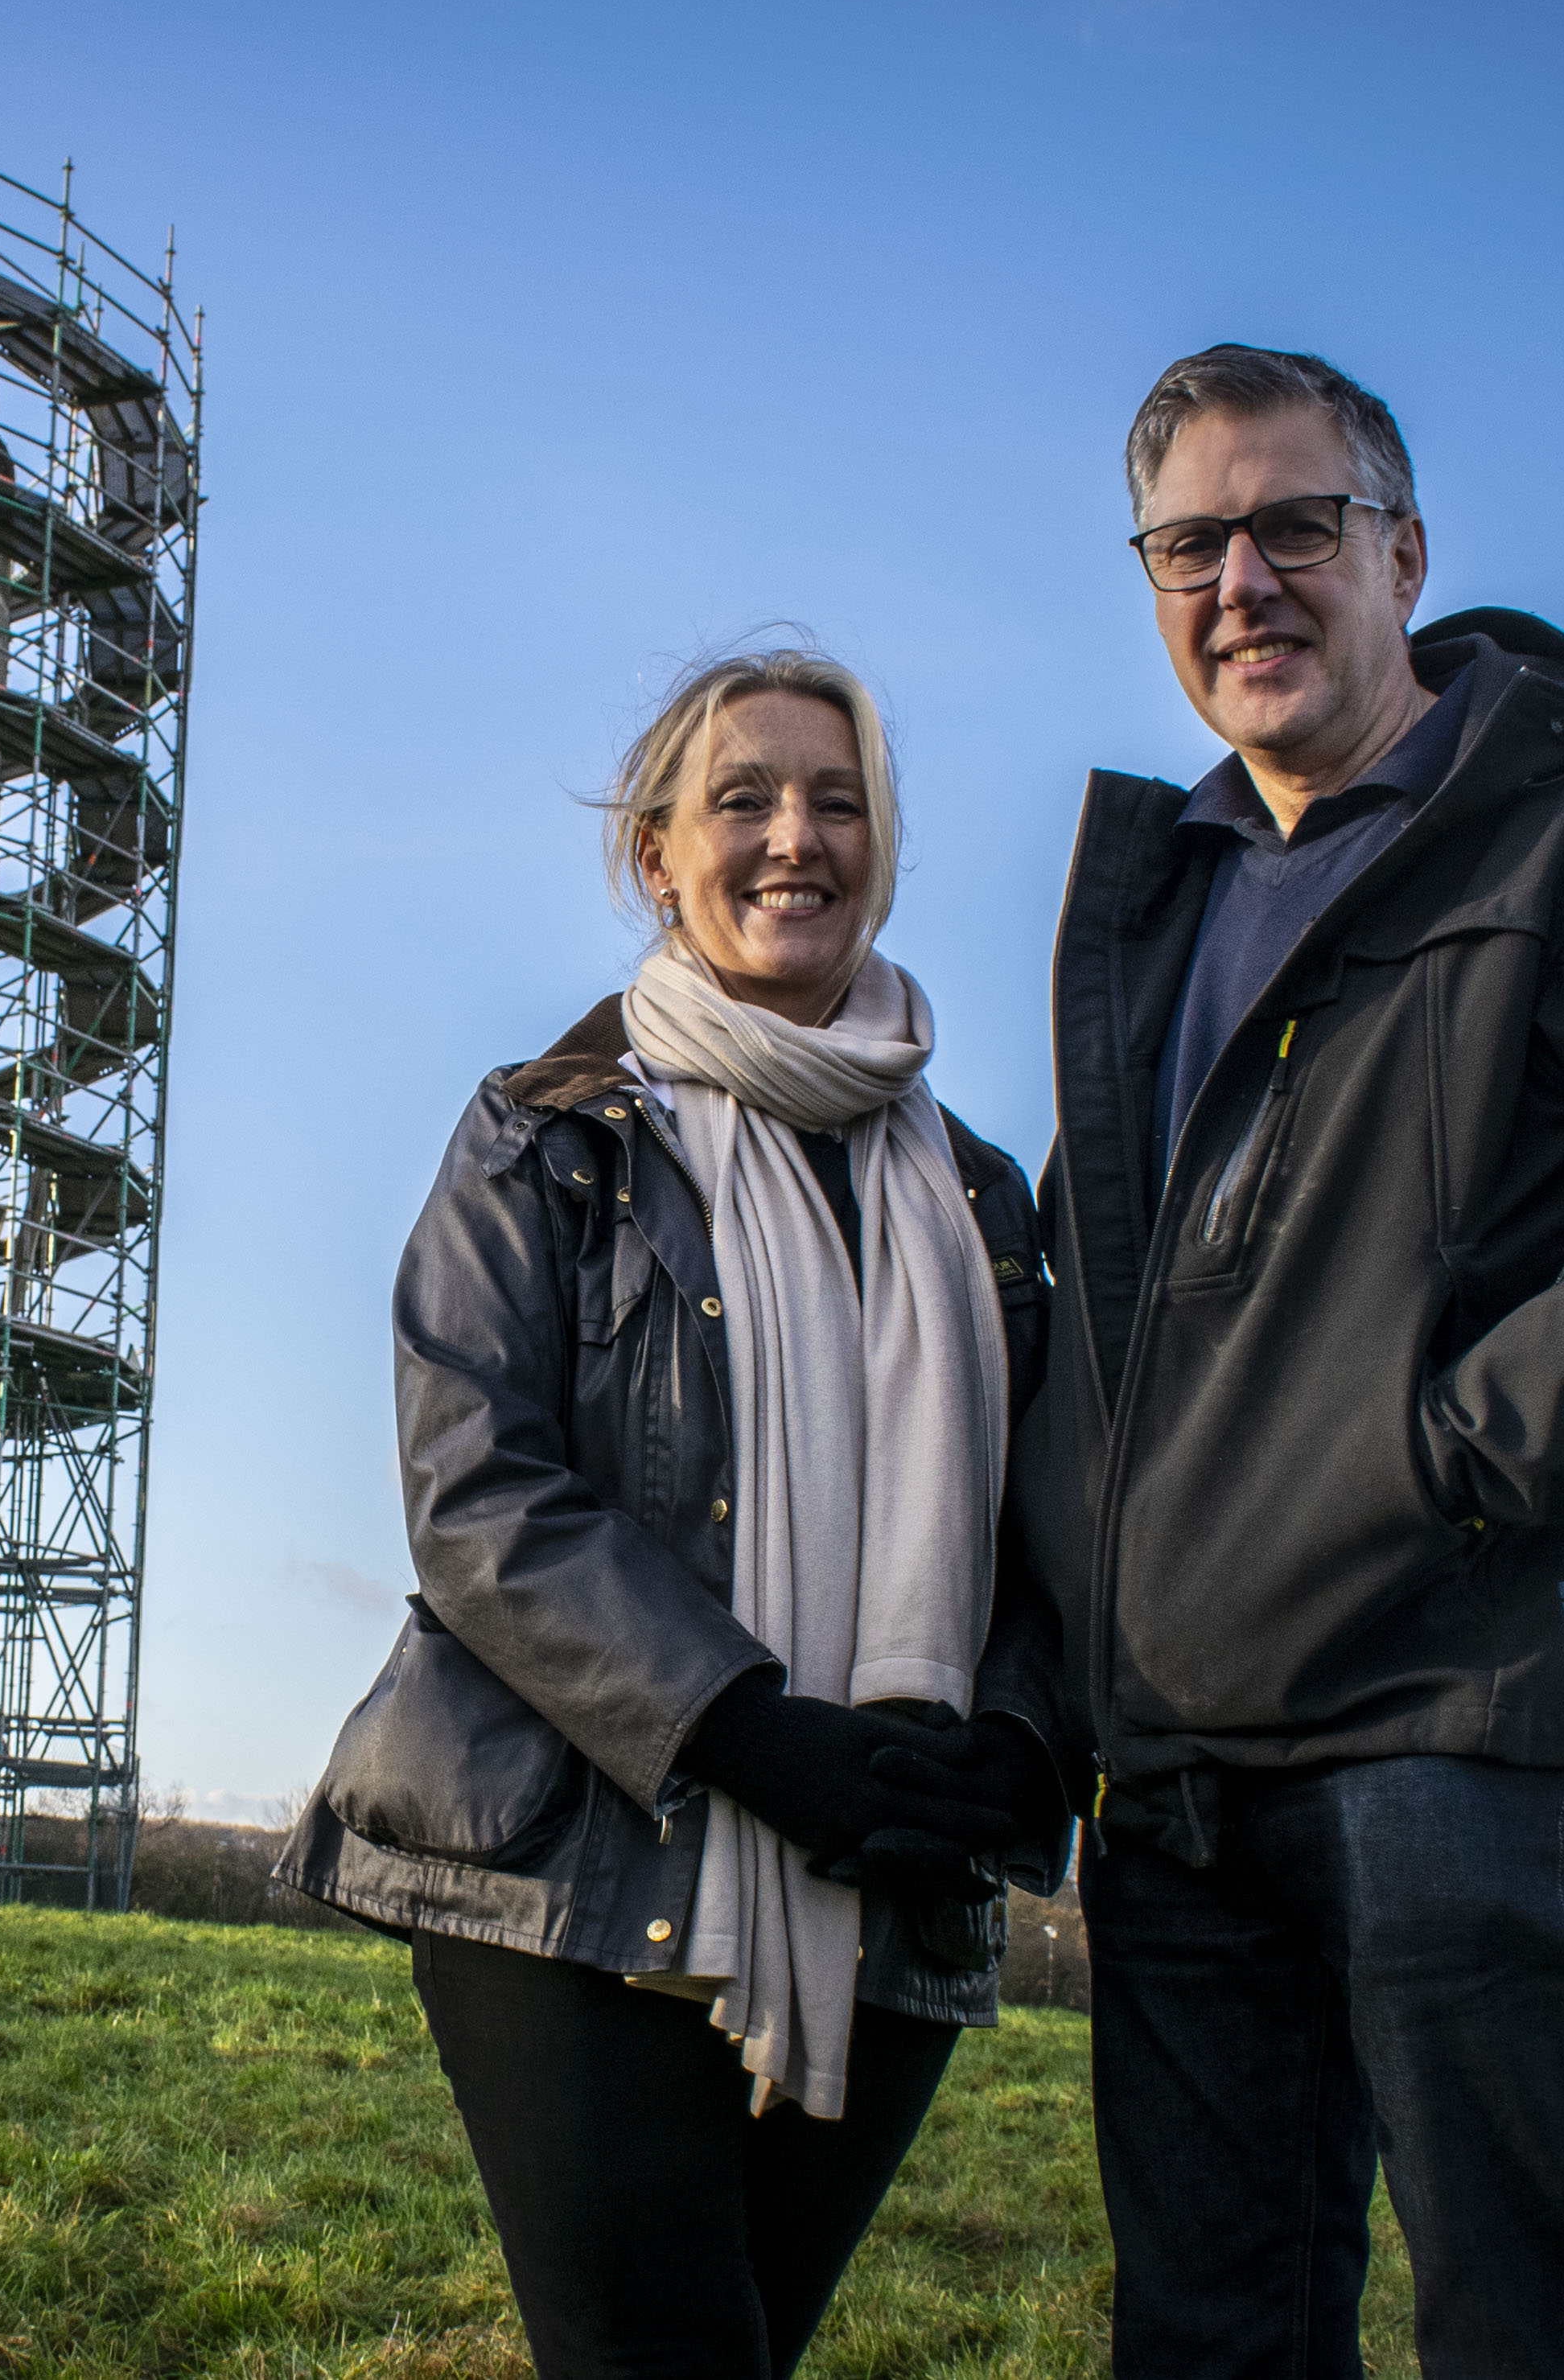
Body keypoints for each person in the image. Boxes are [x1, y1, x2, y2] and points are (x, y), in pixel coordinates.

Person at [1015, 347, 1564, 2378]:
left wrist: (1437, 1458)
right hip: (1178, 1773)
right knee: (1208, 2341)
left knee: (1532, 2336)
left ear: (1403, 552)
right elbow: (1108, 1335)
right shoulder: (1164, 906)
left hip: (1468, 1727)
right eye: (1186, 543)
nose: (1241, 577)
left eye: (1295, 524)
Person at [280, 646, 1078, 2380]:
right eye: (742, 798)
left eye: (838, 797)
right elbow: (474, 1491)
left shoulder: (984, 1199)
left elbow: (1059, 1525)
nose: (795, 835)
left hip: (885, 1882)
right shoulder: (543, 1133)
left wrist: (1019, 1746)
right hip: (574, 1866)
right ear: (655, 853)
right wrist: (740, 1723)